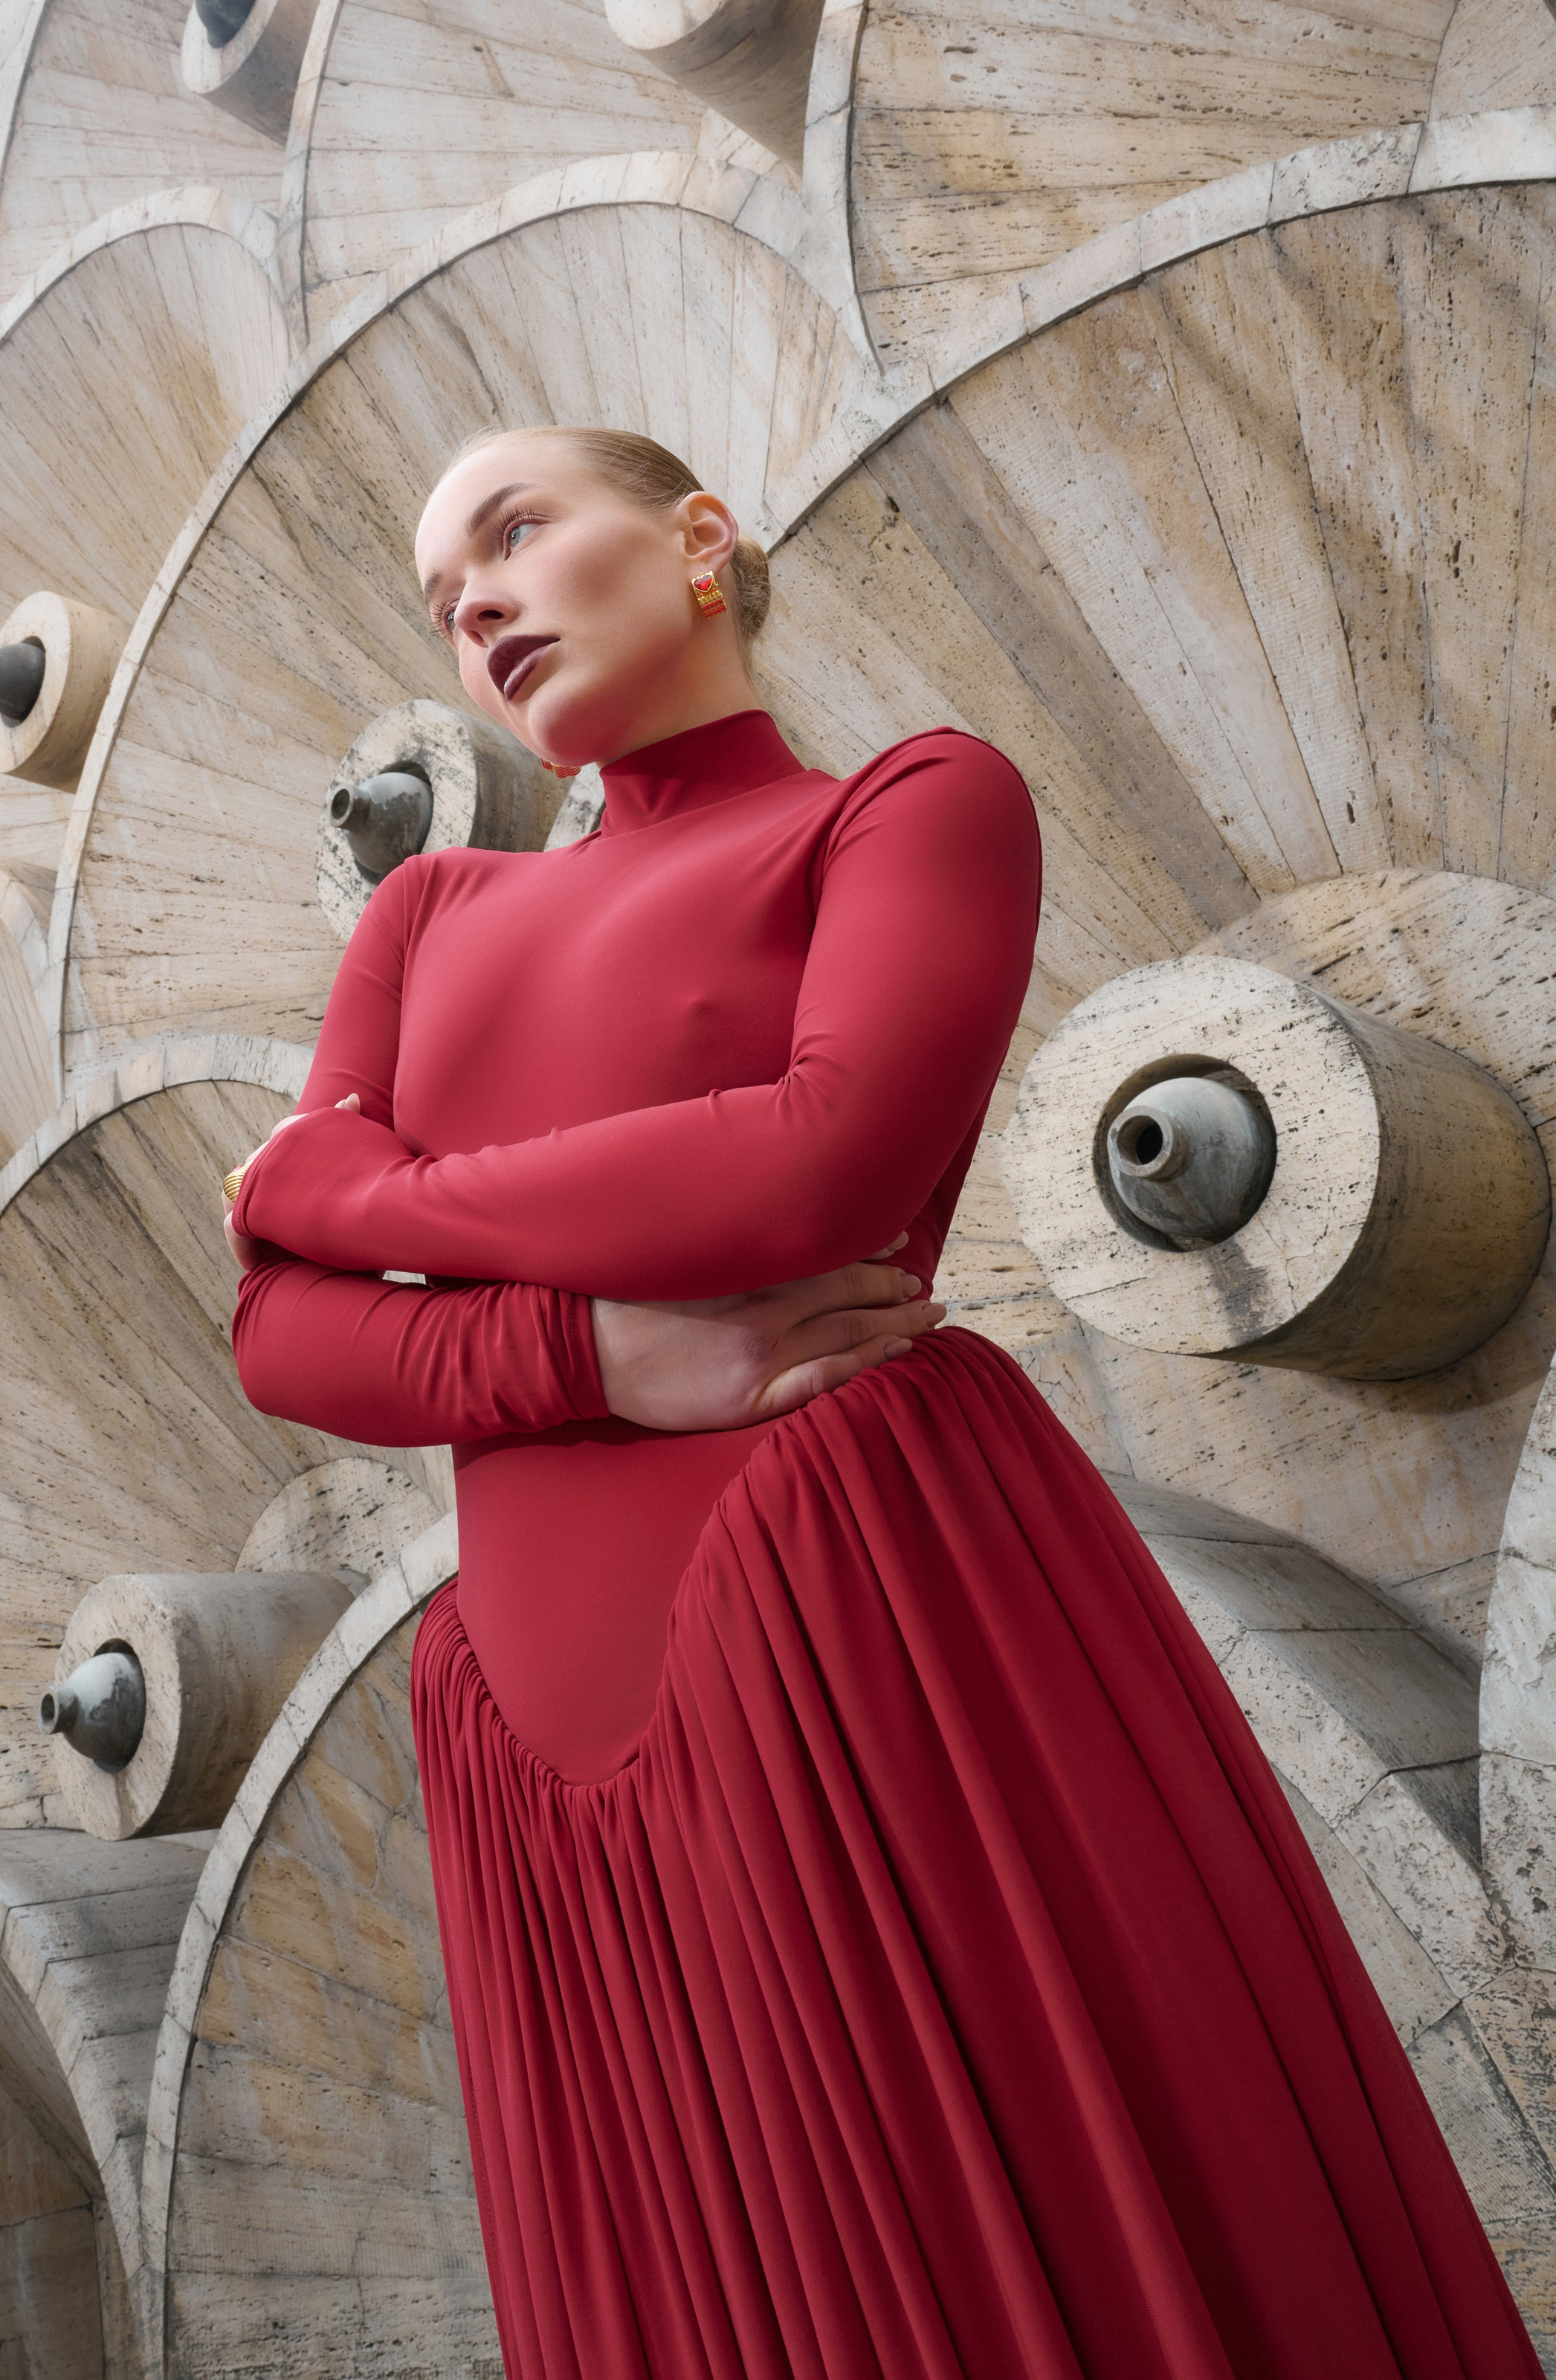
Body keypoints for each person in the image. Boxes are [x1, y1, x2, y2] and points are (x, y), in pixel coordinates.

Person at [222, 425, 1537, 2379]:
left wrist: (361, 1192)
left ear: (695, 542)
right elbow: (282, 1342)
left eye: (514, 532)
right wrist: (592, 1357)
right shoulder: (424, 917)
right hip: (530, 1736)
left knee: (1044, 2226)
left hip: (865, 1618)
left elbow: (813, 1164)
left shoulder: (909, 806)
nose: (476, 600)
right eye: (442, 595)